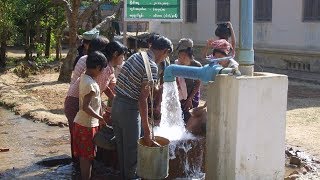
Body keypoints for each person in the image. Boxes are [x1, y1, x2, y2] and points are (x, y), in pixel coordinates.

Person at [111, 35, 173, 179]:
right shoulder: (150, 66)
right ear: (164, 51)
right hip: (129, 110)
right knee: (133, 155)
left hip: (117, 105)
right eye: (166, 55)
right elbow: (142, 100)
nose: (164, 59)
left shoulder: (136, 56)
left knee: (122, 153)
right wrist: (146, 130)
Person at [64, 36, 111, 162]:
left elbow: (101, 86)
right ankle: (82, 166)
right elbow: (94, 87)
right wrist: (100, 114)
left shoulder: (90, 62)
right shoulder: (95, 64)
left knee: (78, 136)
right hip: (78, 100)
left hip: (77, 98)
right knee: (82, 136)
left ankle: (80, 165)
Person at [72, 51, 107, 180]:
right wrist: (101, 118)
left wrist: (102, 105)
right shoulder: (90, 84)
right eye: (102, 70)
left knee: (84, 157)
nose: (102, 72)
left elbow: (92, 101)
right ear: (98, 68)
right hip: (86, 125)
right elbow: (85, 107)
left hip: (83, 124)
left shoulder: (85, 78)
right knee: (86, 158)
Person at [175, 38, 202, 123]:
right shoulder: (177, 65)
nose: (181, 58)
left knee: (190, 115)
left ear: (188, 55)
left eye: (183, 56)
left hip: (193, 94)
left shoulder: (196, 65)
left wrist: (190, 98)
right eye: (179, 56)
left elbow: (198, 83)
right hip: (181, 94)